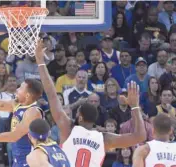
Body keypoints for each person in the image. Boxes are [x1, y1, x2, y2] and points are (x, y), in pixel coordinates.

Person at [35, 39, 146, 167]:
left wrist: (40, 62)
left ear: (80, 117)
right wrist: (135, 106)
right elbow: (140, 136)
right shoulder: (104, 138)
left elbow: (51, 94)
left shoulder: (68, 128)